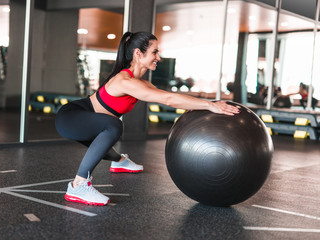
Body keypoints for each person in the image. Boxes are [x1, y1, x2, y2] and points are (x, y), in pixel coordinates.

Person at [55, 32, 240, 206]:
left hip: (88, 119)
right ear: (138, 53)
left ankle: (119, 162)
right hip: (72, 117)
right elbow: (168, 99)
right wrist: (210, 105)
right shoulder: (124, 81)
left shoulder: (141, 83)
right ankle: (78, 186)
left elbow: (167, 96)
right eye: (154, 52)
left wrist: (205, 106)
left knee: (108, 131)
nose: (158, 57)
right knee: (113, 126)